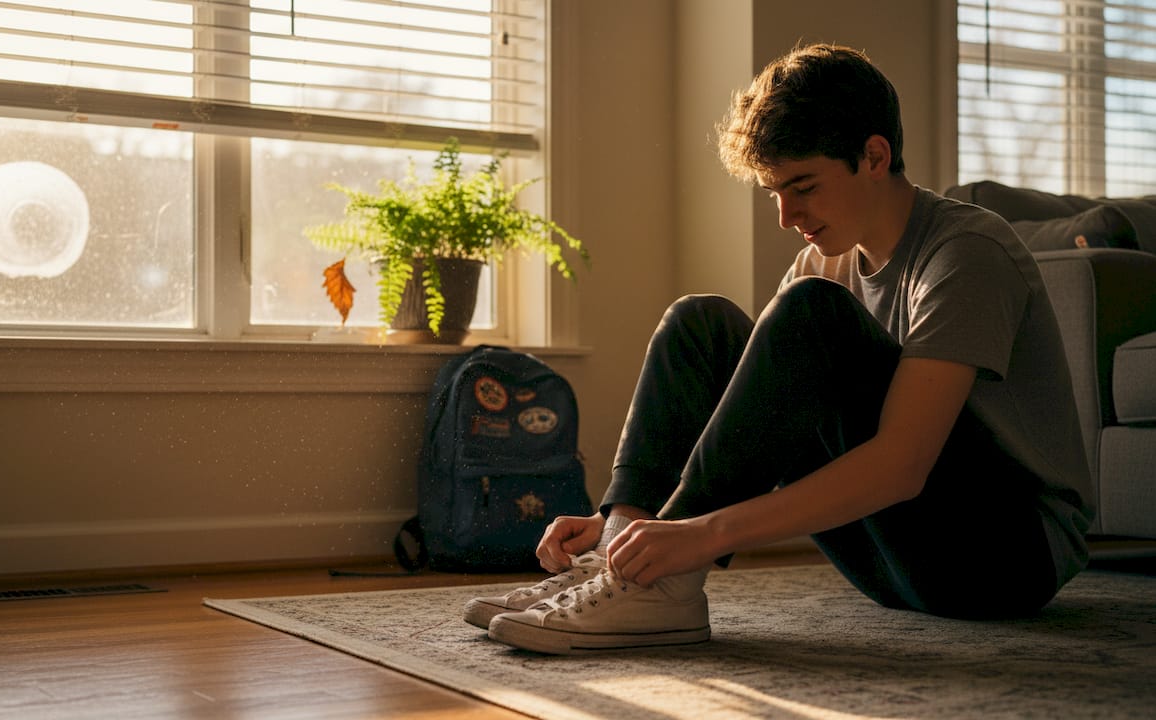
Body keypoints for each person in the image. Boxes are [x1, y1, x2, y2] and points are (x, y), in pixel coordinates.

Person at [462, 43, 1095, 655]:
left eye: (804, 186)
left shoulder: (966, 252)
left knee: (809, 310)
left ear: (874, 156)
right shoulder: (824, 261)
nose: (787, 215)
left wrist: (700, 535)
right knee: (699, 323)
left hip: (1002, 561)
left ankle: (660, 582)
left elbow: (903, 465)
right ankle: (622, 559)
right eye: (775, 193)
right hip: (893, 559)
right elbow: (753, 423)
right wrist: (624, 525)